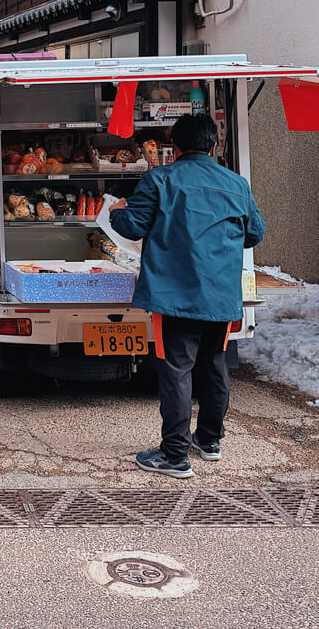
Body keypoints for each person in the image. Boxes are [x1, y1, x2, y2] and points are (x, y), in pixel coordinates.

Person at [110, 112, 266, 478]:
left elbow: (133, 225)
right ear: (214, 146)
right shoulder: (236, 184)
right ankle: (209, 440)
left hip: (174, 294)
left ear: (175, 148)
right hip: (220, 296)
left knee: (177, 370)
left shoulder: (160, 180)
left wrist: (118, 211)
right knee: (214, 365)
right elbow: (254, 233)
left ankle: (174, 454)